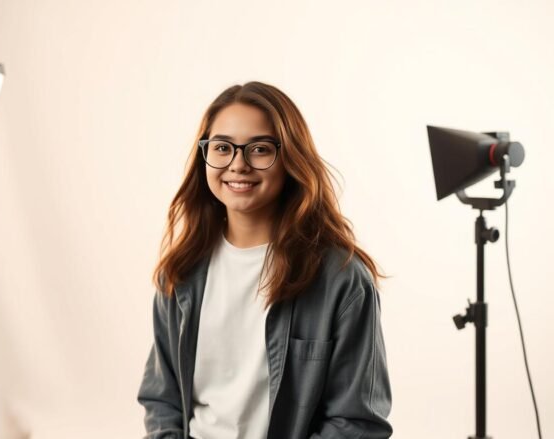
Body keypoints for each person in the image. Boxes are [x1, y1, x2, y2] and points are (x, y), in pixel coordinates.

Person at [137, 81, 392, 439]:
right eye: (222, 148)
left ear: (290, 157)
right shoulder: (181, 273)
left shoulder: (342, 280)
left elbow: (355, 423)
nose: (237, 165)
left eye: (259, 149)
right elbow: (162, 401)